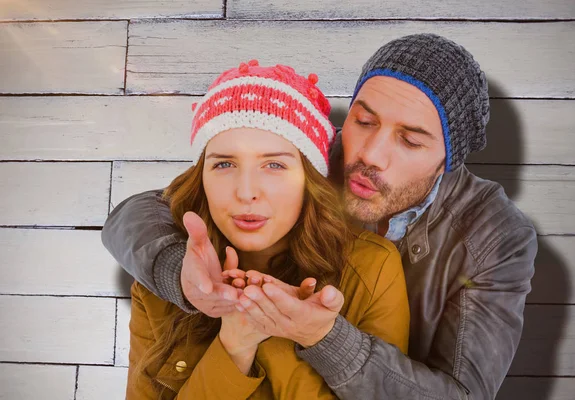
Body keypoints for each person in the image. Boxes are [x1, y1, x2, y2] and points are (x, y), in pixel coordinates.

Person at [103, 34, 537, 399]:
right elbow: (153, 208)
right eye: (364, 121)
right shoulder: (307, 154)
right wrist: (174, 271)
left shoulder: (495, 238)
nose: (369, 155)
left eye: (410, 140)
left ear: (448, 160)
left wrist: (322, 337)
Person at [119, 61, 410, 399]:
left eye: (274, 165)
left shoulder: (372, 270)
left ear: (309, 179)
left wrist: (293, 335)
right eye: (224, 164)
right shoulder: (160, 284)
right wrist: (235, 344)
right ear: (202, 177)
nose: (245, 191)